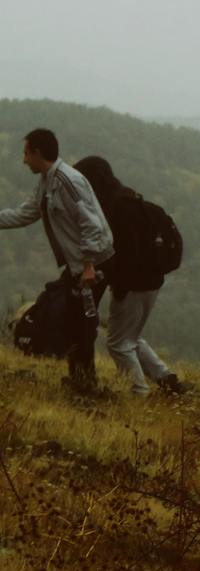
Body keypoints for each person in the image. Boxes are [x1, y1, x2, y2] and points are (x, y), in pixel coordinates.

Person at [0, 129, 113, 394]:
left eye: (26, 154)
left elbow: (92, 224)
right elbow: (25, 213)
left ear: (38, 153)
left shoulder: (67, 181)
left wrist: (88, 266)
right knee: (74, 321)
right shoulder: (46, 182)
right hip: (79, 265)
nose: (24, 160)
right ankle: (81, 380)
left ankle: (86, 385)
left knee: (81, 324)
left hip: (93, 264)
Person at [70, 156, 184, 397]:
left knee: (118, 344)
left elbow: (123, 251)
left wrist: (118, 282)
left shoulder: (113, 208)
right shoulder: (131, 198)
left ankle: (137, 391)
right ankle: (166, 377)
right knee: (130, 336)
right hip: (153, 281)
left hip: (132, 284)